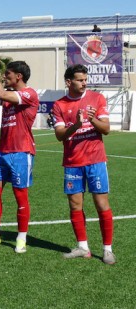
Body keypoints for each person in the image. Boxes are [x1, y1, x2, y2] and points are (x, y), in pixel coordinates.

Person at [0, 52, 38, 253]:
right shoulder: (9, 96)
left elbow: (1, 94)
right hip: (2, 152)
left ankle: (21, 239)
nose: (4, 76)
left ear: (19, 76)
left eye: (8, 74)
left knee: (20, 196)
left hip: (21, 153)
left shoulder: (29, 94)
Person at [52, 64, 115, 265]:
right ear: (69, 82)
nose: (84, 83)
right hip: (72, 163)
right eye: (80, 80)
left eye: (85, 80)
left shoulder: (97, 98)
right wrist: (78, 125)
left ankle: (107, 250)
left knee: (101, 204)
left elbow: (106, 129)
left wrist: (92, 120)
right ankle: (83, 247)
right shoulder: (59, 105)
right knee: (75, 204)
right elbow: (60, 135)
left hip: (96, 160)